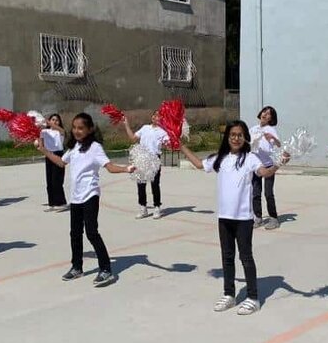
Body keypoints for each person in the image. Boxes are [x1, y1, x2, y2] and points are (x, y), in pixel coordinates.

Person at [178, 120, 287, 315]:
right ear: (227, 138)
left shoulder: (251, 158)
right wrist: (180, 145)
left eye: (239, 135)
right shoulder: (220, 159)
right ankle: (229, 294)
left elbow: (264, 172)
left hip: (244, 218)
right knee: (227, 257)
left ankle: (253, 297)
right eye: (232, 135)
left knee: (245, 257)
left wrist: (279, 163)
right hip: (224, 218)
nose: (236, 138)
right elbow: (197, 164)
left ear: (245, 137)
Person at [36, 113, 134, 286]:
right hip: (75, 198)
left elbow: (109, 167)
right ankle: (77, 267)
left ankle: (106, 269)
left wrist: (126, 168)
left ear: (89, 129)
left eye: (80, 128)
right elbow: (60, 162)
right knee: (75, 234)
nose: (76, 131)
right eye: (74, 128)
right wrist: (44, 150)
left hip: (90, 195)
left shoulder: (95, 147)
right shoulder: (74, 147)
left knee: (91, 233)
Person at [123, 110, 169, 219]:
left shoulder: (163, 132)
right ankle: (143, 208)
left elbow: (168, 144)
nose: (155, 116)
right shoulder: (145, 128)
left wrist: (170, 141)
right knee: (141, 184)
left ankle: (157, 207)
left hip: (154, 158)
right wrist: (126, 124)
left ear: (162, 119)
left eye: (158, 115)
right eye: (154, 114)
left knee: (155, 184)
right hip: (142, 158)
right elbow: (133, 138)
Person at [250, 106, 283, 230]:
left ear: (271, 118)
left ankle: (274, 218)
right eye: (264, 111)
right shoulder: (253, 129)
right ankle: (258, 218)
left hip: (268, 165)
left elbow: (278, 144)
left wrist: (272, 138)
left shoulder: (271, 129)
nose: (265, 114)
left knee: (268, 193)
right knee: (255, 193)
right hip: (255, 165)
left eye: (269, 114)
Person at [40, 113, 68, 212]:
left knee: (57, 180)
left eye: (57, 120)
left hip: (58, 155)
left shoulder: (60, 132)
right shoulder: (44, 131)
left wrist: (46, 121)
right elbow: (41, 144)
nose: (55, 121)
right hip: (48, 155)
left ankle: (61, 203)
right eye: (53, 119)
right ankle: (52, 203)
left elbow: (62, 131)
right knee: (50, 181)